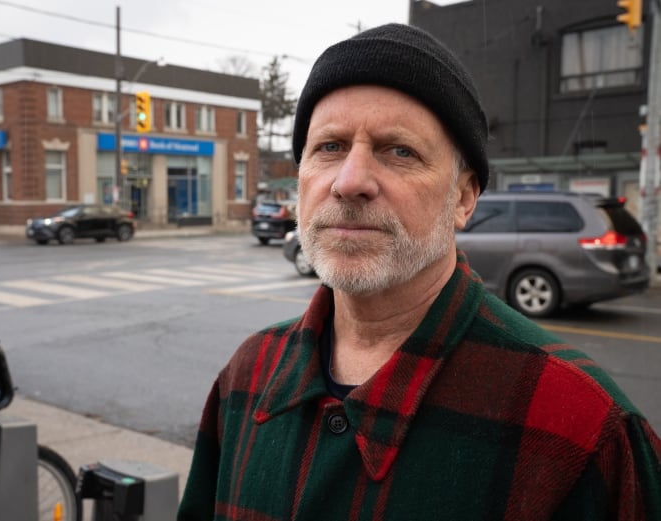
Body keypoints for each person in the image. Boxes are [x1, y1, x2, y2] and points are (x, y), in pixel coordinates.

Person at [178, 24, 661, 520]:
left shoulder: (584, 431)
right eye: (329, 147)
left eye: (399, 151)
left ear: (464, 197)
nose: (350, 182)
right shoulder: (247, 375)